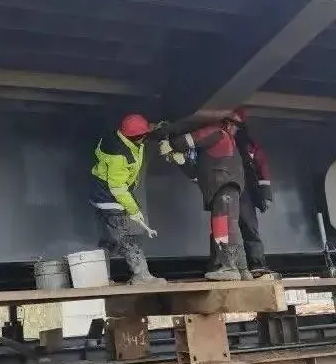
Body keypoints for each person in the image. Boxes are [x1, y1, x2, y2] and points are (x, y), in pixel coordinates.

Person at [160, 116, 248, 281]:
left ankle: (229, 268)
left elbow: (189, 140)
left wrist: (171, 143)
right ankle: (241, 270)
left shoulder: (217, 132)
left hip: (223, 188)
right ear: (230, 124)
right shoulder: (219, 142)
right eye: (236, 126)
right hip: (224, 188)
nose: (236, 130)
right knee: (227, 227)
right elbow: (197, 173)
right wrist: (181, 161)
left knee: (224, 228)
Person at [90, 114, 166, 286]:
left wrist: (154, 127)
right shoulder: (120, 156)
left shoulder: (120, 136)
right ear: (137, 137)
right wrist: (134, 210)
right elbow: (118, 188)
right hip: (110, 197)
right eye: (143, 136)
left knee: (109, 239)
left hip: (100, 194)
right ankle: (141, 275)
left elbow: (138, 130)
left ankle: (101, 277)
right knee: (126, 238)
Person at [207, 109, 276, 279]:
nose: (232, 127)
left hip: (244, 191)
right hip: (225, 189)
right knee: (222, 228)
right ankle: (221, 265)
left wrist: (265, 194)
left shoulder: (250, 146)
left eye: (235, 124)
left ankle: (257, 265)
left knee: (249, 227)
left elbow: (262, 167)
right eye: (229, 123)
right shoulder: (217, 139)